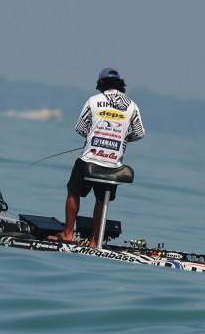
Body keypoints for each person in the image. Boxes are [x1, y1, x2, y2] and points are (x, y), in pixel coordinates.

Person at [47, 67, 144, 247]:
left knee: (73, 191)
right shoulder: (132, 105)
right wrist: (123, 140)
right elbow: (139, 133)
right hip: (113, 164)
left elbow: (79, 127)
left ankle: (67, 234)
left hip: (89, 159)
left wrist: (92, 136)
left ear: (101, 82)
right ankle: (94, 240)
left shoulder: (94, 100)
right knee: (101, 198)